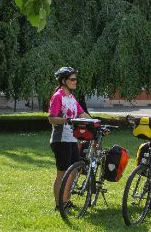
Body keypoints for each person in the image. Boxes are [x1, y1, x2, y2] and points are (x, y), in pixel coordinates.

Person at [48, 66, 85, 213]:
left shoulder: (71, 97)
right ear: (64, 81)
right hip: (61, 140)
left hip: (72, 139)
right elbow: (51, 118)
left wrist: (97, 123)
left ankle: (66, 201)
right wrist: (67, 120)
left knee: (74, 170)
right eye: (72, 79)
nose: (75, 82)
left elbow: (82, 114)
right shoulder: (58, 96)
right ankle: (59, 205)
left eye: (76, 79)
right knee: (62, 172)